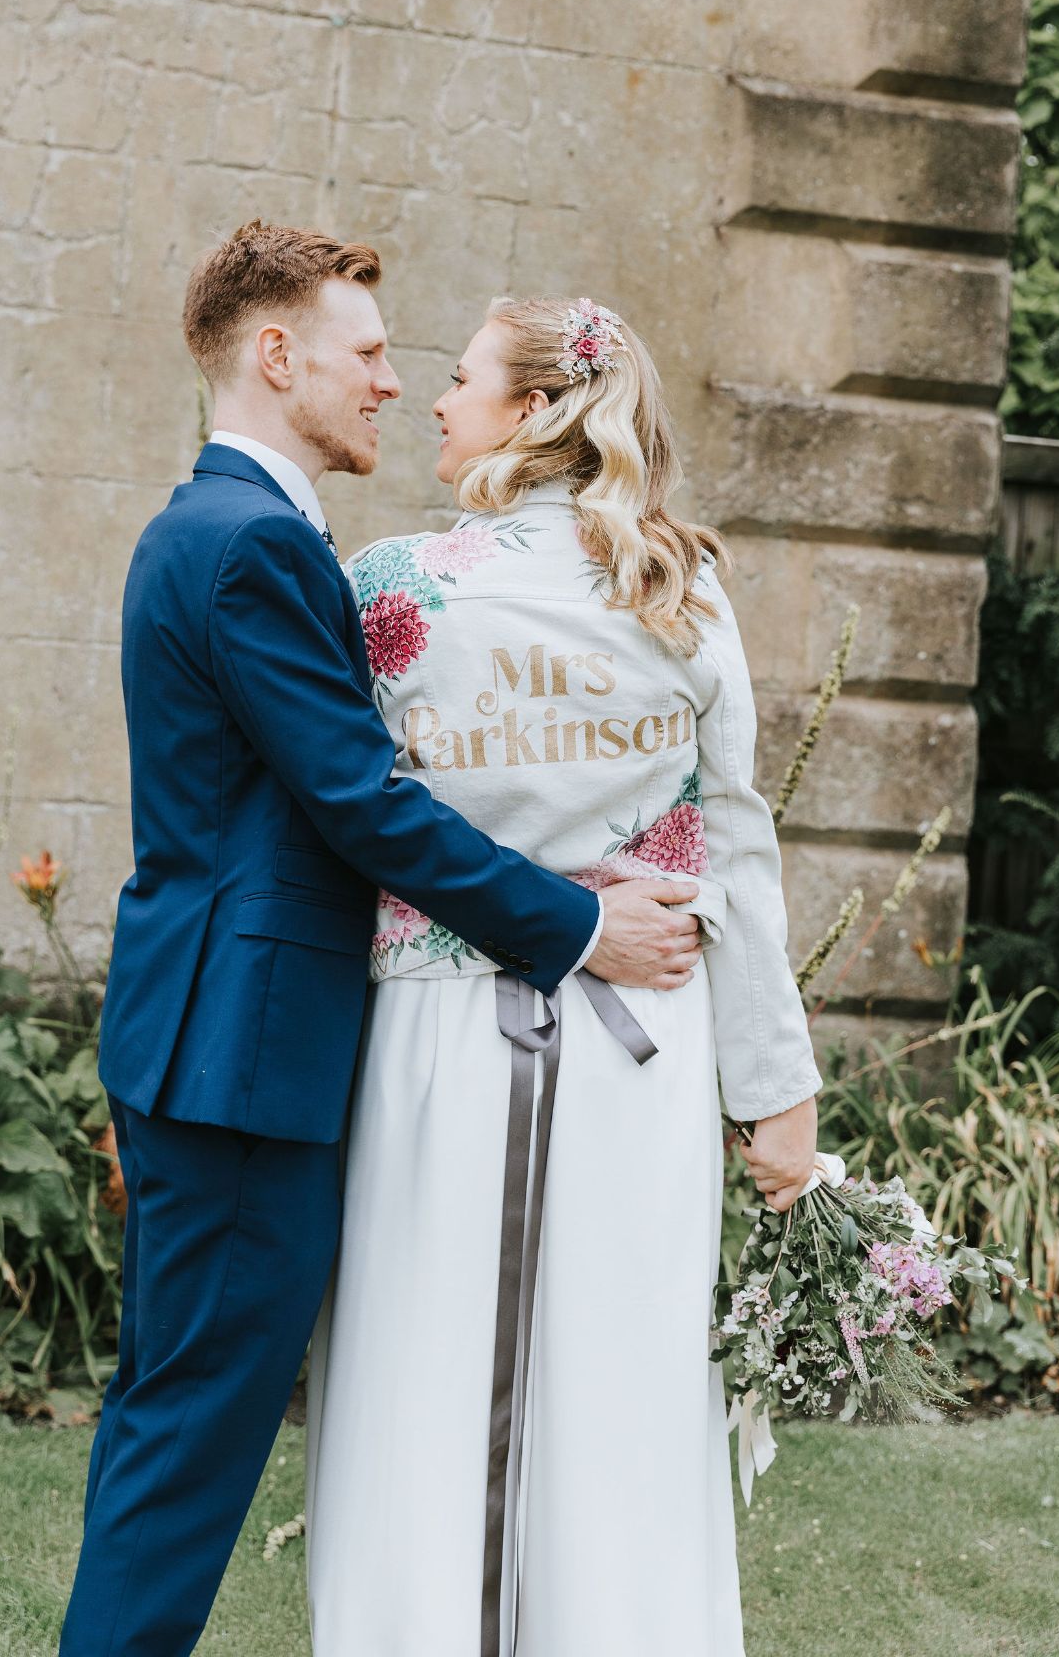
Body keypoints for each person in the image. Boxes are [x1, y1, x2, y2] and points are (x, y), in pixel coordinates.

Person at [59, 228, 702, 1657]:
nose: (392, 385)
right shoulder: (253, 549)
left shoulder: (222, 531)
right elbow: (363, 806)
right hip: (245, 1056)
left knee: (171, 1414)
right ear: (275, 356)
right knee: (185, 1440)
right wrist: (579, 925)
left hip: (213, 1041)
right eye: (365, 353)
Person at [304, 294, 822, 1656]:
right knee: (621, 1370)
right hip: (640, 1033)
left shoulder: (390, 586)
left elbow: (342, 820)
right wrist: (777, 1090)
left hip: (433, 1035)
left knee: (414, 1363)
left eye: (462, 377)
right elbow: (739, 847)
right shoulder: (682, 586)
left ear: (531, 411)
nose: (433, 397)